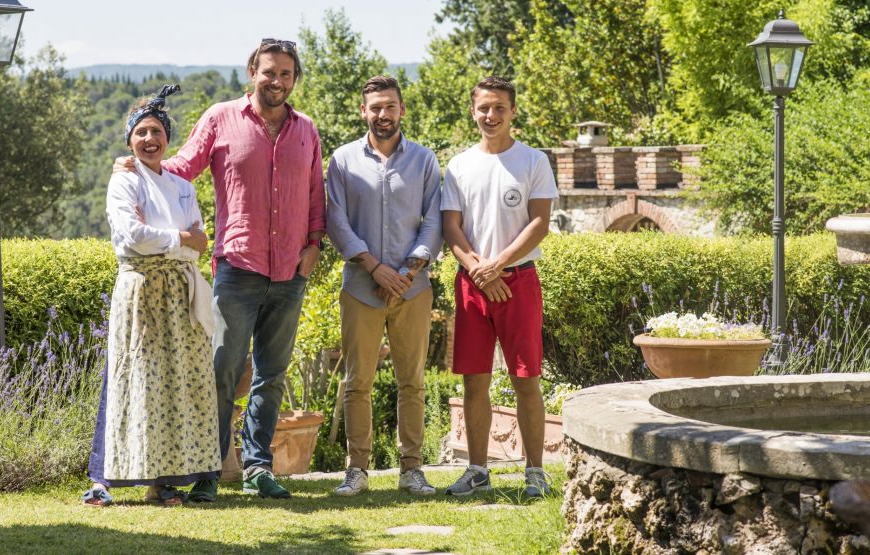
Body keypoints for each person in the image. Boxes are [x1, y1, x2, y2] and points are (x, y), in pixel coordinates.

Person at [114, 39, 325, 500]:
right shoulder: (220, 117)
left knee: (272, 374)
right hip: (238, 267)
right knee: (222, 370)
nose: (277, 81)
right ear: (253, 71)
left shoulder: (306, 129)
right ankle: (209, 471)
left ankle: (257, 468)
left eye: (286, 74)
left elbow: (314, 194)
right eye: (270, 72)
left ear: (294, 79)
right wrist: (140, 165)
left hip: (290, 271)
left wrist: (313, 247)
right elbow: (183, 167)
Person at [84, 87, 221, 507]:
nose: (149, 139)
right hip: (141, 291)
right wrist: (177, 237)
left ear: (167, 139)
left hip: (180, 292)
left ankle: (163, 481)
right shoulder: (123, 181)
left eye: (156, 131)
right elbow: (133, 236)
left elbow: (199, 242)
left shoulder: (182, 186)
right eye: (141, 132)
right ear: (130, 140)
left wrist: (175, 241)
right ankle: (105, 478)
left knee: (174, 384)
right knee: (133, 378)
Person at [440, 76, 557, 499]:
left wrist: (497, 266)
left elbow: (539, 223)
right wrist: (478, 271)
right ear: (473, 111)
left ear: (513, 112)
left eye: (499, 108)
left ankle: (535, 472)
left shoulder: (533, 161)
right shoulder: (458, 165)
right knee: (474, 381)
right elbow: (450, 227)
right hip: (473, 285)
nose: (491, 116)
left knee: (527, 379)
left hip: (518, 282)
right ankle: (476, 469)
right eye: (483, 108)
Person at [326, 75, 443, 497]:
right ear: (364, 111)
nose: (382, 114)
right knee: (357, 381)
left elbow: (434, 219)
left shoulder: (425, 161)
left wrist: (407, 272)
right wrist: (376, 269)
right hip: (361, 286)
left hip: (413, 288)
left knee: (412, 381)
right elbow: (335, 221)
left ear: (402, 110)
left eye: (389, 106)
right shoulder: (341, 161)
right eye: (375, 107)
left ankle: (411, 468)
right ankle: (356, 469)